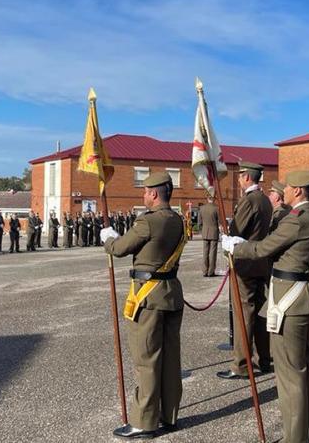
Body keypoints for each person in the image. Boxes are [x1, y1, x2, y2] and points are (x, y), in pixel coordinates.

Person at [223, 170, 309, 443]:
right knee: (308, 369)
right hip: (307, 296)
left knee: (290, 375)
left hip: (290, 300)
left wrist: (236, 247)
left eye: (290, 188)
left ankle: (295, 438)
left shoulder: (297, 221)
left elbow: (263, 249)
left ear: (298, 191)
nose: (286, 192)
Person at [100, 172, 187, 440]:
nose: (143, 195)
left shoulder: (147, 221)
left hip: (148, 297)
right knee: (170, 359)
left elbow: (119, 249)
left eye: (146, 191)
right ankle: (169, 415)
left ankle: (145, 422)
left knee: (147, 359)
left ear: (154, 194)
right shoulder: (178, 220)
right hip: (171, 293)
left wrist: (108, 237)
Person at [217, 161, 274, 380]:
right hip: (260, 262)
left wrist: (228, 235)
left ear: (247, 177)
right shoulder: (265, 200)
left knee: (244, 313)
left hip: (246, 263)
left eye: (241, 176)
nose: (239, 179)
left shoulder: (250, 200)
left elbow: (237, 230)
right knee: (259, 312)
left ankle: (241, 363)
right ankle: (264, 358)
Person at [198, 197, 220, 277]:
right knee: (212, 253)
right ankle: (211, 272)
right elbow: (219, 221)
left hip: (205, 232)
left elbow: (199, 222)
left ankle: (205, 271)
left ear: (207, 199)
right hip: (214, 232)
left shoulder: (202, 208)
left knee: (205, 252)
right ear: (213, 199)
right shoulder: (216, 208)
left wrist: (202, 230)